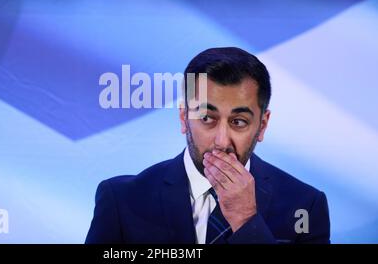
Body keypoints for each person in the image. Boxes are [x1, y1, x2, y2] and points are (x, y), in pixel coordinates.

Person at [85, 47, 330, 244]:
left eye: (238, 122)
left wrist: (246, 221)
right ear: (184, 118)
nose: (222, 141)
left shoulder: (305, 205)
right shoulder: (123, 200)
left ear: (262, 126)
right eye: (206, 118)